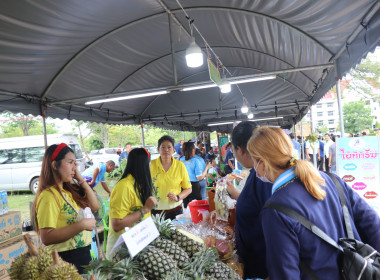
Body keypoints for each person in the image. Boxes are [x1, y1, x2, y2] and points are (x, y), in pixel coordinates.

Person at [247, 126, 380, 279]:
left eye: (254, 162)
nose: (255, 169)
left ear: (262, 163)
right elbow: (373, 224)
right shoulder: (332, 180)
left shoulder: (274, 210)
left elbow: (284, 274)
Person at [33, 143, 99, 274]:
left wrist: (80, 179)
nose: (75, 167)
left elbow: (95, 206)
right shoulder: (49, 196)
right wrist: (81, 225)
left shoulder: (67, 191)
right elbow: (46, 237)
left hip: (82, 254)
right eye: (70, 162)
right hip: (66, 258)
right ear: (55, 165)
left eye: (75, 163)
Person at [106, 148, 157, 258]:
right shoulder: (124, 187)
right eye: (149, 163)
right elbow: (116, 225)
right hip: (121, 253)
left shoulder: (141, 184)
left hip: (138, 245)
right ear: (145, 165)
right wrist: (145, 209)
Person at [150, 135, 192, 220]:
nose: (166, 150)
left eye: (169, 147)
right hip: (155, 212)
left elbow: (188, 188)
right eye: (163, 147)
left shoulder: (180, 166)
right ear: (158, 149)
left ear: (174, 150)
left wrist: (178, 197)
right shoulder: (150, 165)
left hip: (175, 211)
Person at [180, 142, 211, 207]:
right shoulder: (195, 160)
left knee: (186, 207)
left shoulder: (180, 160)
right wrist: (207, 168)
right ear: (193, 150)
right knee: (197, 207)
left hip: (183, 186)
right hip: (194, 186)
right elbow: (199, 177)